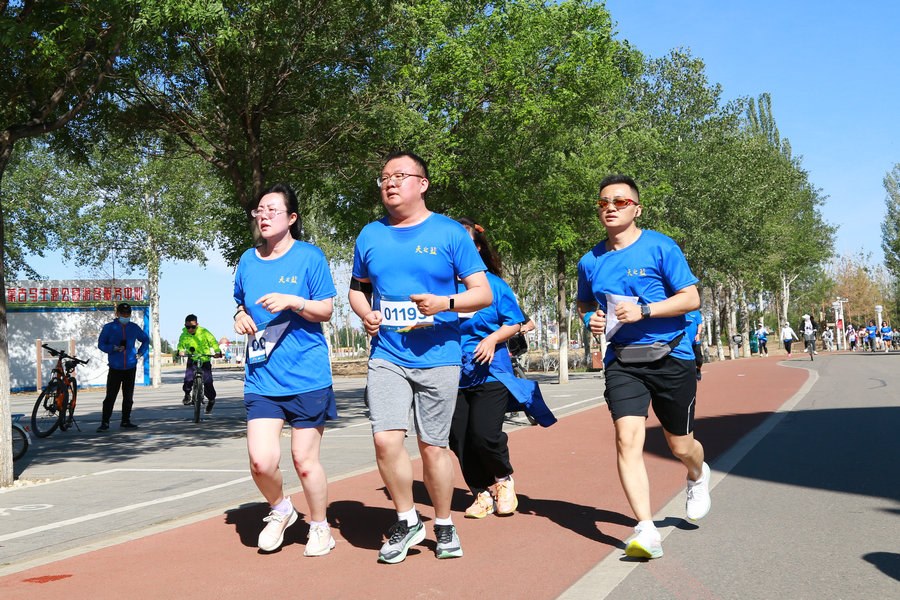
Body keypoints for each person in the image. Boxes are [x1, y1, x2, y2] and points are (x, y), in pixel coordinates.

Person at [348, 151, 492, 564]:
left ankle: (444, 523)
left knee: (433, 447)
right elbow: (357, 289)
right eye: (384, 177)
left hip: (439, 355)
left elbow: (482, 293)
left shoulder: (450, 233)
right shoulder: (370, 235)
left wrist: (444, 303)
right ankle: (407, 518)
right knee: (385, 439)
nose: (390, 183)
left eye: (400, 175)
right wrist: (366, 313)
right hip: (387, 353)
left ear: (422, 184)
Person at [576, 175, 709, 560]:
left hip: (671, 355)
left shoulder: (660, 247)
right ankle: (646, 529)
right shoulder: (590, 261)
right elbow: (585, 303)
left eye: (620, 201)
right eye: (603, 202)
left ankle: (697, 474)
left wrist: (645, 310)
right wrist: (590, 320)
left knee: (680, 445)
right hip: (623, 360)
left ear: (637, 209)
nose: (610, 208)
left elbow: (690, 298)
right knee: (626, 438)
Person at [232, 183, 338, 557]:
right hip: (262, 378)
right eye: (258, 210)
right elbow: (239, 304)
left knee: (304, 462)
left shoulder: (309, 257)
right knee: (261, 463)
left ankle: (320, 526)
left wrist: (294, 301)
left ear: (291, 218)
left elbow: (325, 310)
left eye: (272, 210)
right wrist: (239, 316)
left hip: (306, 375)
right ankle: (281, 509)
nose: (263, 216)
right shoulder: (247, 261)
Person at [449, 218, 555, 522]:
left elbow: (515, 322)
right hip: (452, 375)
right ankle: (481, 492)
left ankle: (503, 479)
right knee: (458, 438)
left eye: (465, 243)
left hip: (491, 371)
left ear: (478, 248)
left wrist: (492, 339)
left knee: (484, 434)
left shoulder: (493, 285)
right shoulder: (441, 289)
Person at [96, 302, 149, 432]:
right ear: (117, 314)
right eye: (123, 313)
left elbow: (145, 339)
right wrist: (113, 348)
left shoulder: (134, 327)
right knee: (110, 397)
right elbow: (101, 344)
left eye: (128, 313)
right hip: (115, 367)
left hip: (130, 367)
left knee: (128, 397)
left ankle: (126, 421)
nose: (125, 316)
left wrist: (140, 353)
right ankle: (105, 422)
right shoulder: (109, 327)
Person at [177, 314, 223, 413]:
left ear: (197, 324)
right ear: (185, 325)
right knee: (188, 379)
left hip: (204, 359)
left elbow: (213, 342)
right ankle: (187, 394)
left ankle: (211, 400)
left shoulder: (204, 332)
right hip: (192, 359)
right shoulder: (184, 334)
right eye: (188, 327)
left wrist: (217, 351)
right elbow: (181, 345)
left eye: (193, 327)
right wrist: (180, 351)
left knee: (208, 382)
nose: (190, 329)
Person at [684, 309, 704, 380]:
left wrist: (698, 334)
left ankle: (698, 369)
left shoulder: (696, 312)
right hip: (684, 341)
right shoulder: (681, 312)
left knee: (699, 360)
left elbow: (699, 324)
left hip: (695, 341)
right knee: (686, 359)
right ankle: (689, 375)